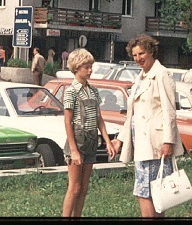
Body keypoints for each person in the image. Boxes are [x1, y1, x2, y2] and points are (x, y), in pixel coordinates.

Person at [111, 33, 184, 219]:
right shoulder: (140, 78)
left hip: (155, 145)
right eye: (134, 55)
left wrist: (168, 141)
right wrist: (120, 139)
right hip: (141, 145)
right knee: (149, 193)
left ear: (151, 51)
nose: (138, 58)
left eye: (141, 53)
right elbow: (132, 115)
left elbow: (169, 111)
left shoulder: (162, 74)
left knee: (150, 194)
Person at [61, 48, 115, 218]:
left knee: (84, 188)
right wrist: (74, 150)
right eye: (86, 67)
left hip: (92, 139)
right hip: (77, 139)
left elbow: (99, 118)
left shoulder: (93, 90)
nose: (90, 70)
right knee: (74, 187)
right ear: (76, 68)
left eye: (91, 66)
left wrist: (107, 141)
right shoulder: (71, 91)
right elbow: (67, 121)